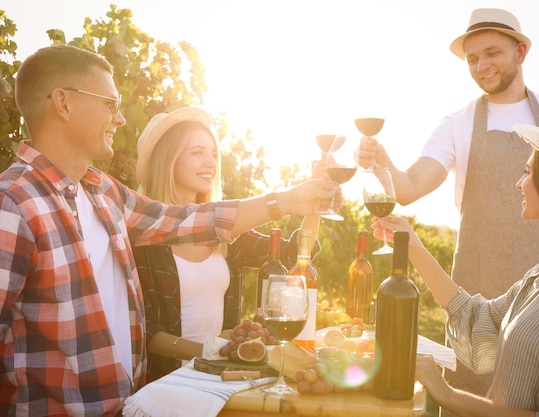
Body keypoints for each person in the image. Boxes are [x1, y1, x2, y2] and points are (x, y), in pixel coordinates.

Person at [0, 44, 340, 416]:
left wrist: (288, 201)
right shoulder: (14, 204)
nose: (120, 119)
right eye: (110, 104)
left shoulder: (103, 192)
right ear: (63, 104)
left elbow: (185, 220)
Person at [356, 7, 539, 400]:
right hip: (475, 297)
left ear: (521, 52)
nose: (482, 66)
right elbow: (408, 187)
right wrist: (381, 161)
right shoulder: (457, 123)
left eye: (492, 53)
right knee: (470, 398)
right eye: (473, 58)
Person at [372, 117, 539, 416]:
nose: (519, 183)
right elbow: (480, 322)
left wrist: (448, 395)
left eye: (527, 171)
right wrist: (413, 246)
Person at [132, 107, 322, 381]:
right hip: (168, 380)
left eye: (213, 153)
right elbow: (144, 330)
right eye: (197, 152)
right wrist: (211, 351)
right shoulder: (145, 234)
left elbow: (295, 255)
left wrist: (314, 205)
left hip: (219, 376)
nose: (210, 162)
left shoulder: (225, 231)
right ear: (168, 160)